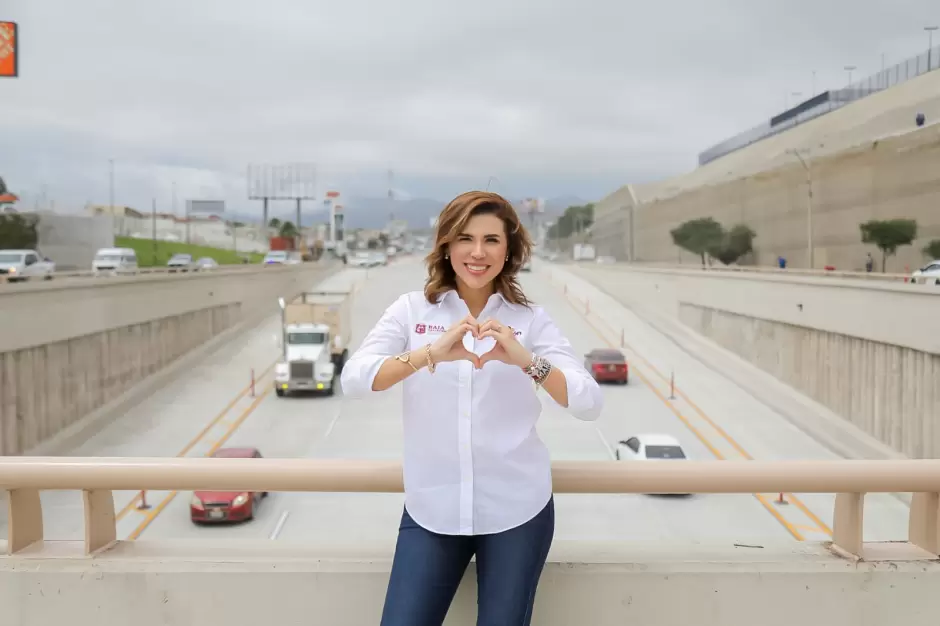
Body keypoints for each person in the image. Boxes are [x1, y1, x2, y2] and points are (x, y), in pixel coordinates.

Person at [340, 190, 604, 626]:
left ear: (509, 250)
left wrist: (526, 361)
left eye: (492, 240)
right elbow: (355, 381)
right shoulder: (411, 311)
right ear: (446, 244)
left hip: (518, 511)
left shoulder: (531, 320)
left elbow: (589, 403)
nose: (477, 253)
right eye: (465, 238)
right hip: (431, 509)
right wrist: (429, 354)